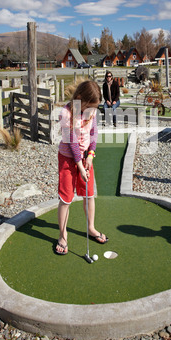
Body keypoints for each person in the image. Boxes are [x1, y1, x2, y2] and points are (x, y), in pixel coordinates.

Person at [55, 80, 108, 255]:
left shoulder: (91, 113)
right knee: (66, 198)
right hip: (68, 160)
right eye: (89, 108)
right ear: (79, 99)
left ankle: (91, 228)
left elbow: (93, 134)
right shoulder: (66, 113)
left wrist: (91, 156)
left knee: (89, 194)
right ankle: (63, 236)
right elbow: (71, 143)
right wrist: (79, 165)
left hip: (85, 159)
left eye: (94, 108)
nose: (91, 112)